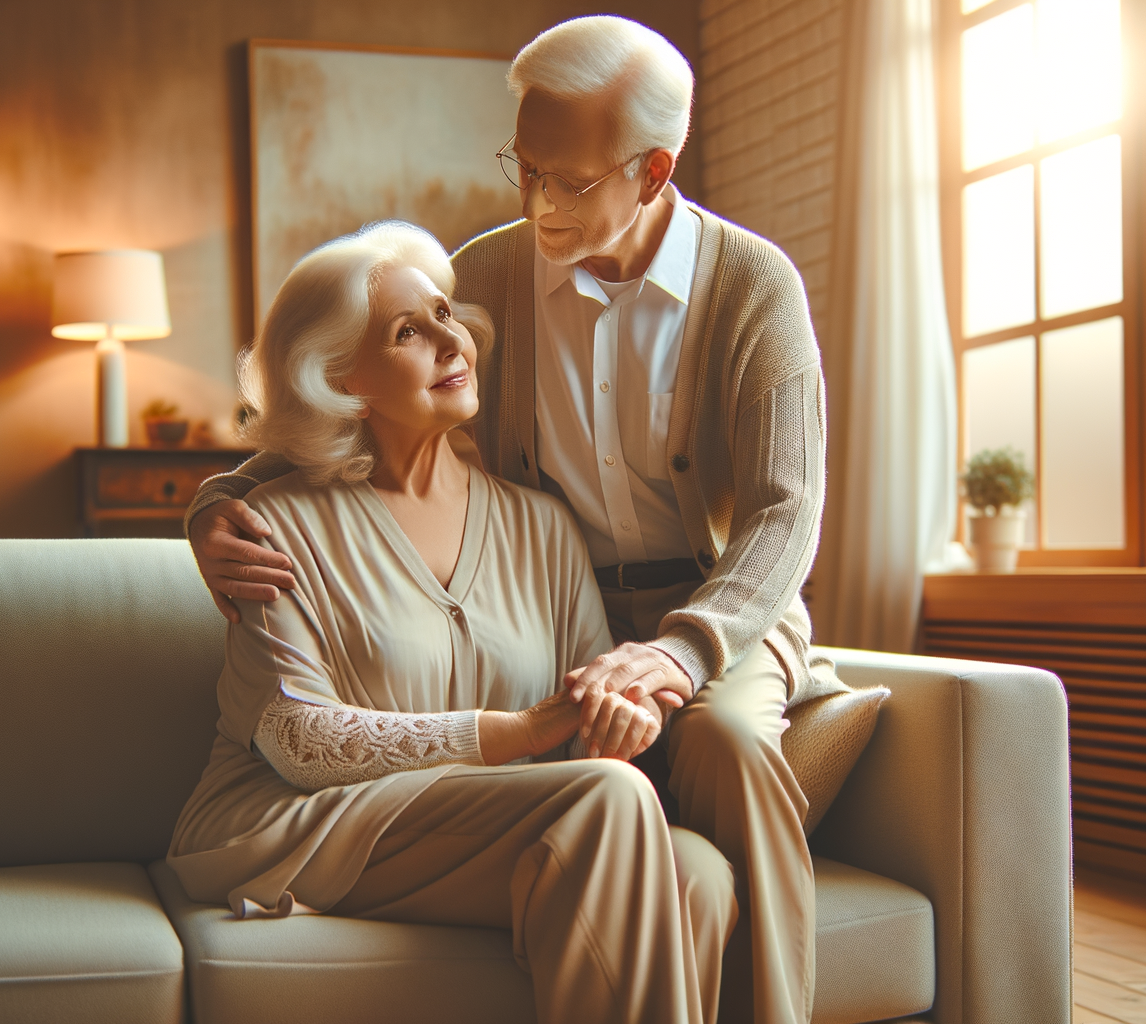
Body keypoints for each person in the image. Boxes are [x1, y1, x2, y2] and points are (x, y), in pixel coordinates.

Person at [184, 17, 844, 1024]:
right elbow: (344, 401)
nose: (537, 201)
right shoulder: (487, 271)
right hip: (573, 617)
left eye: (567, 181)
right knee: (647, 842)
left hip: (713, 606)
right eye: (523, 168)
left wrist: (680, 652)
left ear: (653, 168)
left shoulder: (753, 286)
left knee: (727, 748)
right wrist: (216, 501)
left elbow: (784, 513)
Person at [166, 221, 735, 1024]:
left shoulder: (544, 526)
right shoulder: (270, 526)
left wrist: (621, 712)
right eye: (407, 331)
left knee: (699, 876)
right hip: (303, 821)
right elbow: (298, 740)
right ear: (340, 380)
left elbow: (591, 725)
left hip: (492, 816)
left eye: (445, 313)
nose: (449, 338)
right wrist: (520, 730)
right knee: (605, 804)